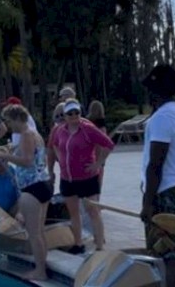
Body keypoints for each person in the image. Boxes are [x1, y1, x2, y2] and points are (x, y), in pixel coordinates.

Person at [140, 64, 175, 287]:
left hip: (164, 193)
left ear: (156, 92)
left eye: (151, 91)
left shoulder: (162, 118)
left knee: (168, 253)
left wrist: (148, 202)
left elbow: (155, 164)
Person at [0, 104, 52, 281]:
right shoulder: (34, 134)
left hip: (32, 189)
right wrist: (6, 152)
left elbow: (26, 161)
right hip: (43, 184)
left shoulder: (26, 135)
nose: (9, 125)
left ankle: (40, 271)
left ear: (18, 119)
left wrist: (3, 156)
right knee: (39, 231)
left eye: (9, 121)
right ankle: (42, 267)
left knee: (34, 233)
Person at [51, 98, 114, 254]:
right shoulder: (60, 130)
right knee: (73, 213)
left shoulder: (87, 129)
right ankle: (78, 243)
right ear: (65, 115)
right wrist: (60, 161)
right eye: (70, 113)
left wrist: (98, 163)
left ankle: (100, 245)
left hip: (86, 177)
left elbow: (108, 144)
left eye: (76, 112)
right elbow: (54, 144)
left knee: (92, 210)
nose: (73, 115)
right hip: (68, 178)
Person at [87, 100, 107, 190]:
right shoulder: (102, 127)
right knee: (97, 186)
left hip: (87, 158)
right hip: (99, 159)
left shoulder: (86, 125)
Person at [47, 102, 66, 185]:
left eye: (62, 115)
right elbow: (50, 153)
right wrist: (50, 171)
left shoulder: (80, 126)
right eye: (57, 116)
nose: (60, 118)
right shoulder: (55, 131)